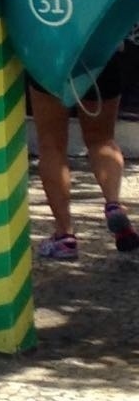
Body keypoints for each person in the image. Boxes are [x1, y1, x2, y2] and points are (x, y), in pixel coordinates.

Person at [32, 47, 139, 260]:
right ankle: (113, 204)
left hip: (49, 55)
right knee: (102, 139)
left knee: (51, 144)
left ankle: (65, 236)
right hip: (101, 55)